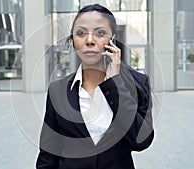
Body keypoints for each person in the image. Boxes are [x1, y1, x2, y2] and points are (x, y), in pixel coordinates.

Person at [36, 4, 154, 169]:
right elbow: (48, 154)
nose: (89, 41)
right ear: (73, 40)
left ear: (112, 40)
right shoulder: (58, 90)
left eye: (100, 33)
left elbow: (141, 141)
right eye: (81, 33)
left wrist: (116, 86)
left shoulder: (137, 84)